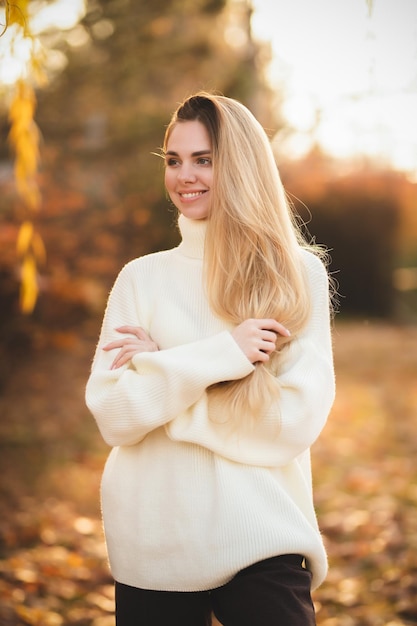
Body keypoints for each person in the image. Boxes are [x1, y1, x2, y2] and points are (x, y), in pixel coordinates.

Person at [85, 92, 336, 626]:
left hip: (262, 535)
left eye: (203, 159)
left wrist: (164, 373)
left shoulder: (296, 275)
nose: (184, 176)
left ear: (240, 165)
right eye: (174, 160)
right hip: (154, 540)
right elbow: (115, 417)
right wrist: (218, 356)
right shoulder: (141, 278)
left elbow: (288, 424)